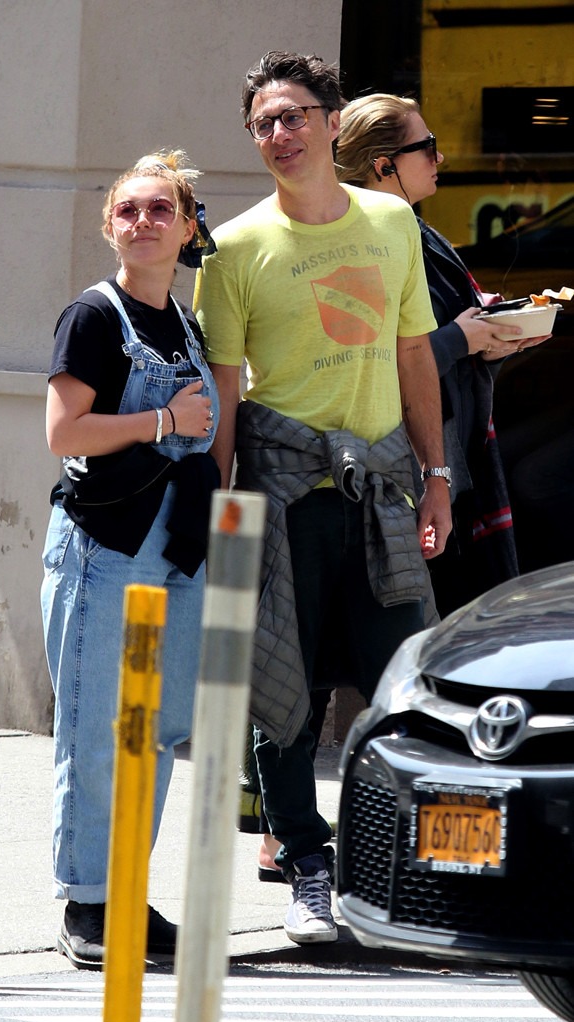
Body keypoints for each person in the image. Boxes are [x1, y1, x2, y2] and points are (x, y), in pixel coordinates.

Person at [194, 51, 452, 945]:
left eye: (296, 115)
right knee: (285, 691)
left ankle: (394, 872)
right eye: (264, 121)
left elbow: (415, 353)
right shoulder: (231, 250)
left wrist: (438, 477)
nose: (281, 134)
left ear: (332, 123)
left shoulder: (390, 222)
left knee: (399, 686)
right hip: (283, 487)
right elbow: (226, 395)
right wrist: (220, 516)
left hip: (383, 485)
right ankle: (307, 862)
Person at [40, 150, 220, 970]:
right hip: (105, 550)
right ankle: (86, 903)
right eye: (128, 211)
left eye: (161, 210)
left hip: (173, 552)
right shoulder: (93, 316)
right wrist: (159, 425)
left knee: (151, 729)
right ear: (110, 226)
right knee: (95, 728)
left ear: (187, 229)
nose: (143, 222)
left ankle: (123, 889)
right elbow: (65, 434)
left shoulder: (186, 325)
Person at [336, 94, 552, 616]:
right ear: (384, 166)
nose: (440, 159)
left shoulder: (420, 234)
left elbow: (448, 340)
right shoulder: (358, 245)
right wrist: (463, 340)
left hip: (450, 466)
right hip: (397, 478)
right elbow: (373, 367)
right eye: (427, 148)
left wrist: (494, 340)